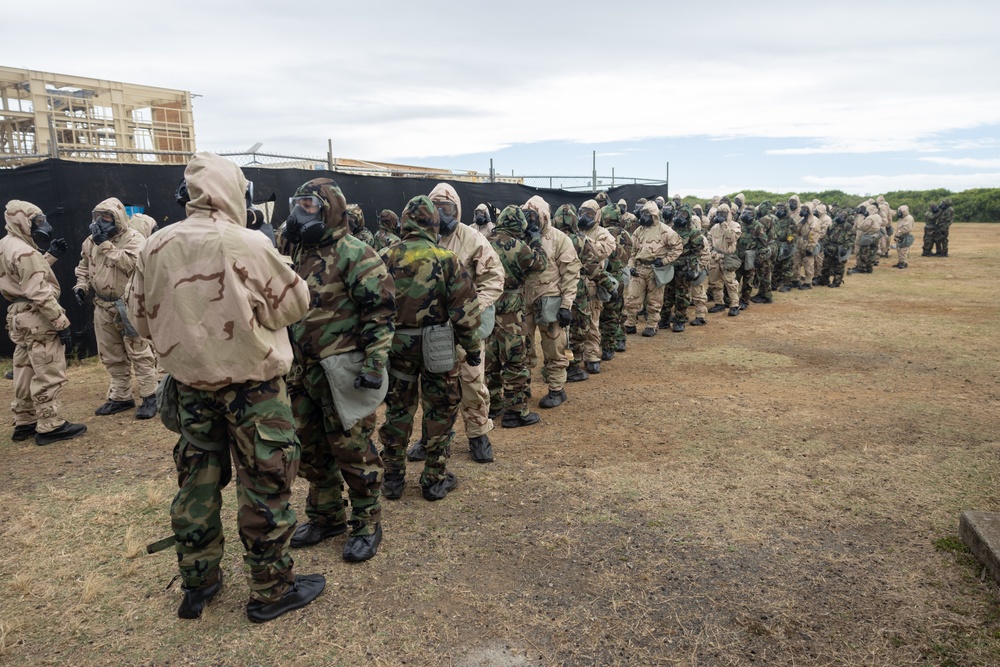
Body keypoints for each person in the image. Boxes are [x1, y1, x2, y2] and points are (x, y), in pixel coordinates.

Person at [128, 152, 323, 623]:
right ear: (235, 190)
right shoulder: (247, 242)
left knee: (196, 483)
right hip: (253, 392)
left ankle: (198, 582)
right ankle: (270, 590)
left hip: (190, 388)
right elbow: (294, 305)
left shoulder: (154, 246)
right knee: (265, 484)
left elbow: (138, 320)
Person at [283, 178, 396, 562]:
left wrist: (375, 364)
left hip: (342, 373)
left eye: (310, 205)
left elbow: (380, 315)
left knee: (353, 450)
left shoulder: (357, 253)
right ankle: (327, 515)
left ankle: (367, 522)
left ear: (330, 207)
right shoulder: (292, 249)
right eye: (298, 204)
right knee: (310, 450)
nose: (301, 212)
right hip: (300, 373)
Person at [377, 195, 481, 500]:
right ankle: (434, 478)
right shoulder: (446, 258)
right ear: (434, 223)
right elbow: (464, 310)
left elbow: (371, 306)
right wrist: (472, 347)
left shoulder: (384, 256)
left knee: (398, 409)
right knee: (441, 408)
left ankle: (393, 477)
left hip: (397, 345)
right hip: (438, 345)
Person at [410, 183, 503, 463]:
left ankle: (478, 434)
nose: (441, 214)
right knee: (433, 388)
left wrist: (472, 310)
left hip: (464, 330)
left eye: (447, 209)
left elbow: (494, 279)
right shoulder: (419, 239)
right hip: (430, 330)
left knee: (473, 381)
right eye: (436, 208)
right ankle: (433, 439)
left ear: (457, 210)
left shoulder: (473, 239)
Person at [1, 201, 87, 445]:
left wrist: (49, 257)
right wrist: (61, 322)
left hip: (18, 314)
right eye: (37, 221)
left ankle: (24, 421)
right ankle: (50, 425)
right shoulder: (25, 251)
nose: (44, 226)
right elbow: (38, 291)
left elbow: (21, 278)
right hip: (37, 315)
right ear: (22, 221)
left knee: (24, 368)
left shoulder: (6, 245)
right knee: (47, 368)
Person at [74, 197, 160, 419]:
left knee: (139, 351)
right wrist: (82, 285)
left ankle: (151, 396)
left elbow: (132, 264)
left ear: (118, 217)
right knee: (111, 354)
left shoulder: (133, 239)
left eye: (106, 216)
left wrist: (105, 245)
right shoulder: (90, 241)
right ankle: (121, 397)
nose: (100, 222)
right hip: (102, 304)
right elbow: (84, 265)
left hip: (127, 303)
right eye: (97, 217)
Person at [483, 205, 547, 428]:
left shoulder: (484, 242)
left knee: (489, 360)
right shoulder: (519, 247)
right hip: (511, 312)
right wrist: (536, 240)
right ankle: (515, 411)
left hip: (488, 309)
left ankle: (492, 405)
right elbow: (541, 264)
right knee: (515, 360)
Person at [523, 195, 581, 409]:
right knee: (522, 347)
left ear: (544, 216)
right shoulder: (520, 239)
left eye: (533, 215)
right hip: (523, 302)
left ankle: (557, 389)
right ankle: (522, 386)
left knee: (554, 348)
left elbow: (571, 273)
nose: (530, 220)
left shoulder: (558, 239)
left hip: (550, 301)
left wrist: (566, 305)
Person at [623, 201, 683, 336]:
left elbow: (678, 247)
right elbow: (632, 251)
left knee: (654, 299)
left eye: (647, 213)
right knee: (632, 298)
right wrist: (631, 267)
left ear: (654, 215)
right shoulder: (639, 230)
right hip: (639, 269)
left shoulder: (665, 230)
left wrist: (665, 261)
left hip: (655, 270)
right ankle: (630, 323)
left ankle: (652, 325)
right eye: (643, 213)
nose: (644, 216)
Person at [576, 199, 616, 374]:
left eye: (590, 214)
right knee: (573, 322)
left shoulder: (603, 233)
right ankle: (573, 357)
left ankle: (591, 355)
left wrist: (582, 242)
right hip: (574, 281)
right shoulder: (575, 231)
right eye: (582, 212)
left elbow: (603, 251)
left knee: (592, 320)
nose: (585, 217)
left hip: (593, 281)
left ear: (597, 215)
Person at [660, 204, 705, 332]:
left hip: (684, 268)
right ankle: (664, 319)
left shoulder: (694, 232)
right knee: (667, 294)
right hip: (670, 267)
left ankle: (680, 320)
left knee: (682, 295)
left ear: (689, 217)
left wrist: (692, 269)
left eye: (683, 215)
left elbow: (697, 252)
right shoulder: (670, 229)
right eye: (678, 214)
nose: (679, 217)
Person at [598, 203, 632, 357]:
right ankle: (618, 341)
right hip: (620, 275)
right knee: (616, 311)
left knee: (603, 314)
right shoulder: (626, 234)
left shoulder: (603, 234)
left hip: (605, 277)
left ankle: (606, 346)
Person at [706, 203, 742, 315]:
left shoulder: (735, 226)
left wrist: (724, 224)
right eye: (719, 213)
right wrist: (710, 252)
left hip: (728, 257)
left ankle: (735, 305)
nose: (721, 215)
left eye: (724, 213)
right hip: (715, 258)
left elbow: (731, 238)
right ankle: (719, 303)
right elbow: (709, 241)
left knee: (731, 282)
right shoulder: (714, 228)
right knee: (715, 283)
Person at [819, 207, 855, 287]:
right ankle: (824, 280)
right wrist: (824, 247)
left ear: (845, 217)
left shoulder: (848, 227)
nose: (839, 217)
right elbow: (826, 237)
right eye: (839, 215)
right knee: (826, 265)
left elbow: (851, 239)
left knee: (839, 267)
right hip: (830, 247)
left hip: (840, 248)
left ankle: (836, 282)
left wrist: (845, 248)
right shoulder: (832, 225)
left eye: (842, 216)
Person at [849, 203, 882, 274]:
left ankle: (861, 267)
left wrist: (856, 229)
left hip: (865, 235)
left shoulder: (870, 218)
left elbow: (863, 226)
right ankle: (869, 267)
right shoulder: (878, 216)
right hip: (874, 236)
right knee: (871, 252)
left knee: (863, 252)